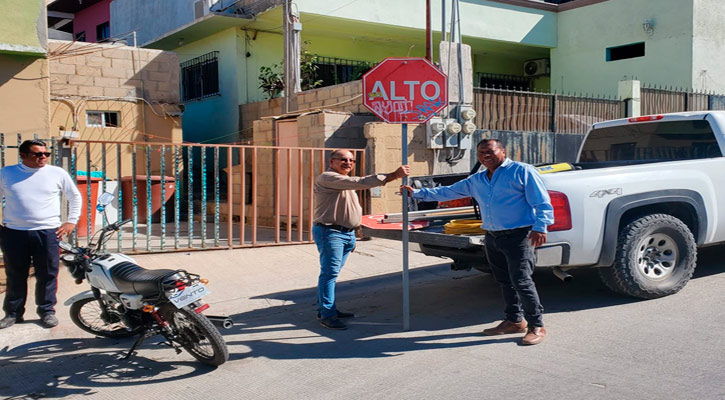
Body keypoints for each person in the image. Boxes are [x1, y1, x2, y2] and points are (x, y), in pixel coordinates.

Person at [401, 139, 553, 345]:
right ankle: (515, 320)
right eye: (481, 152)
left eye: (489, 151)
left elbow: (542, 202)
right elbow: (448, 191)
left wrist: (540, 227)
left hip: (519, 236)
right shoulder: (478, 179)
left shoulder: (522, 171)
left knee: (522, 281)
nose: (484, 155)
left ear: (502, 151)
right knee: (504, 281)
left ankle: (537, 325)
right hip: (492, 236)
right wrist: (417, 192)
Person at [314, 149, 410, 330]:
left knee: (331, 274)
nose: (348, 163)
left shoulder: (343, 183)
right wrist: (394, 175)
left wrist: (353, 233)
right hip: (331, 232)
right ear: (331, 161)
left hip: (346, 233)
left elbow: (350, 208)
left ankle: (327, 309)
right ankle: (327, 314)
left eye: (351, 160)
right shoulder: (328, 177)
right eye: (343, 159)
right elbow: (361, 182)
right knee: (329, 274)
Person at [0, 140, 81, 329]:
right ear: (23, 155)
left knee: (48, 274)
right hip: (14, 233)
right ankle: (13, 313)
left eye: (46, 153)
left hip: (47, 232)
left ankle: (46, 311)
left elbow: (74, 196)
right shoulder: (7, 173)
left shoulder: (57, 173)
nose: (43, 157)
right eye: (37, 154)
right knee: (15, 274)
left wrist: (71, 221)